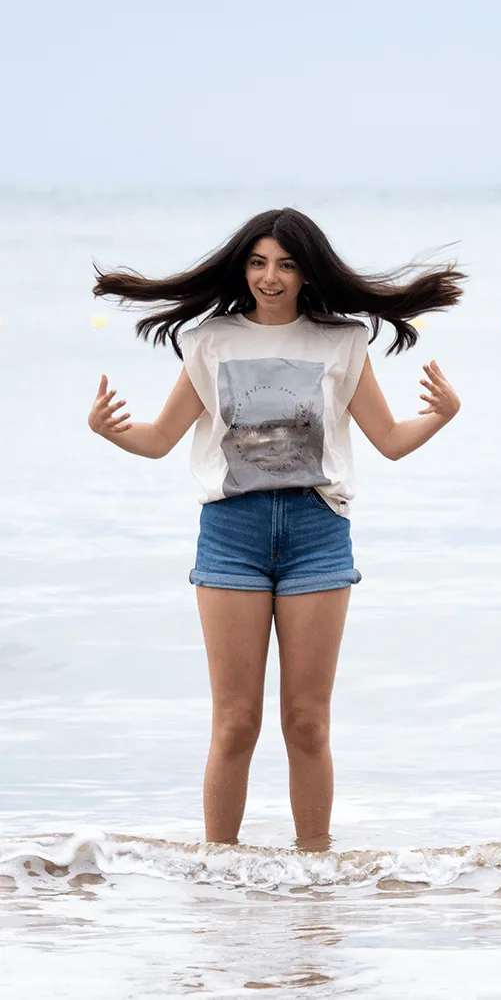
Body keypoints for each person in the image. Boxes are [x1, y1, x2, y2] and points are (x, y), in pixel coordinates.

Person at [87, 208, 464, 850]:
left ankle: (315, 874)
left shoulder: (341, 342)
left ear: (307, 272)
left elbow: (392, 441)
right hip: (230, 533)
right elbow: (157, 440)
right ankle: (216, 872)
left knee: (307, 723)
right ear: (243, 268)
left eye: (287, 264)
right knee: (235, 723)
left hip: (317, 533)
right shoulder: (210, 341)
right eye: (259, 263)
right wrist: (108, 429)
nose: (271, 277)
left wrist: (444, 415)